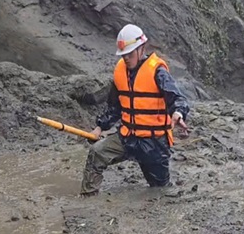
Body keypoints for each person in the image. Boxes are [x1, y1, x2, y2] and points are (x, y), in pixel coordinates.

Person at [80, 24, 190, 197]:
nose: (126, 59)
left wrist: (178, 112)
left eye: (129, 54)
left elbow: (178, 98)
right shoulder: (120, 72)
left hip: (153, 143)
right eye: (123, 55)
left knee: (159, 190)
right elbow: (115, 107)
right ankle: (87, 198)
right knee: (97, 153)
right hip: (127, 137)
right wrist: (100, 127)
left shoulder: (158, 72)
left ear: (141, 49)